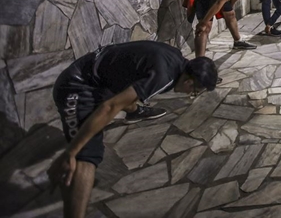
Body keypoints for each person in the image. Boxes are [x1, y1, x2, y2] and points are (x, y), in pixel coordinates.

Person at [48, 41, 218, 218]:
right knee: (87, 154)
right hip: (77, 85)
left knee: (131, 92)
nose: (192, 95)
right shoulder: (163, 77)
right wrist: (70, 152)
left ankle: (135, 111)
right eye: (195, 91)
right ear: (189, 83)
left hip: (100, 77)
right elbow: (109, 107)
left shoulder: (176, 58)